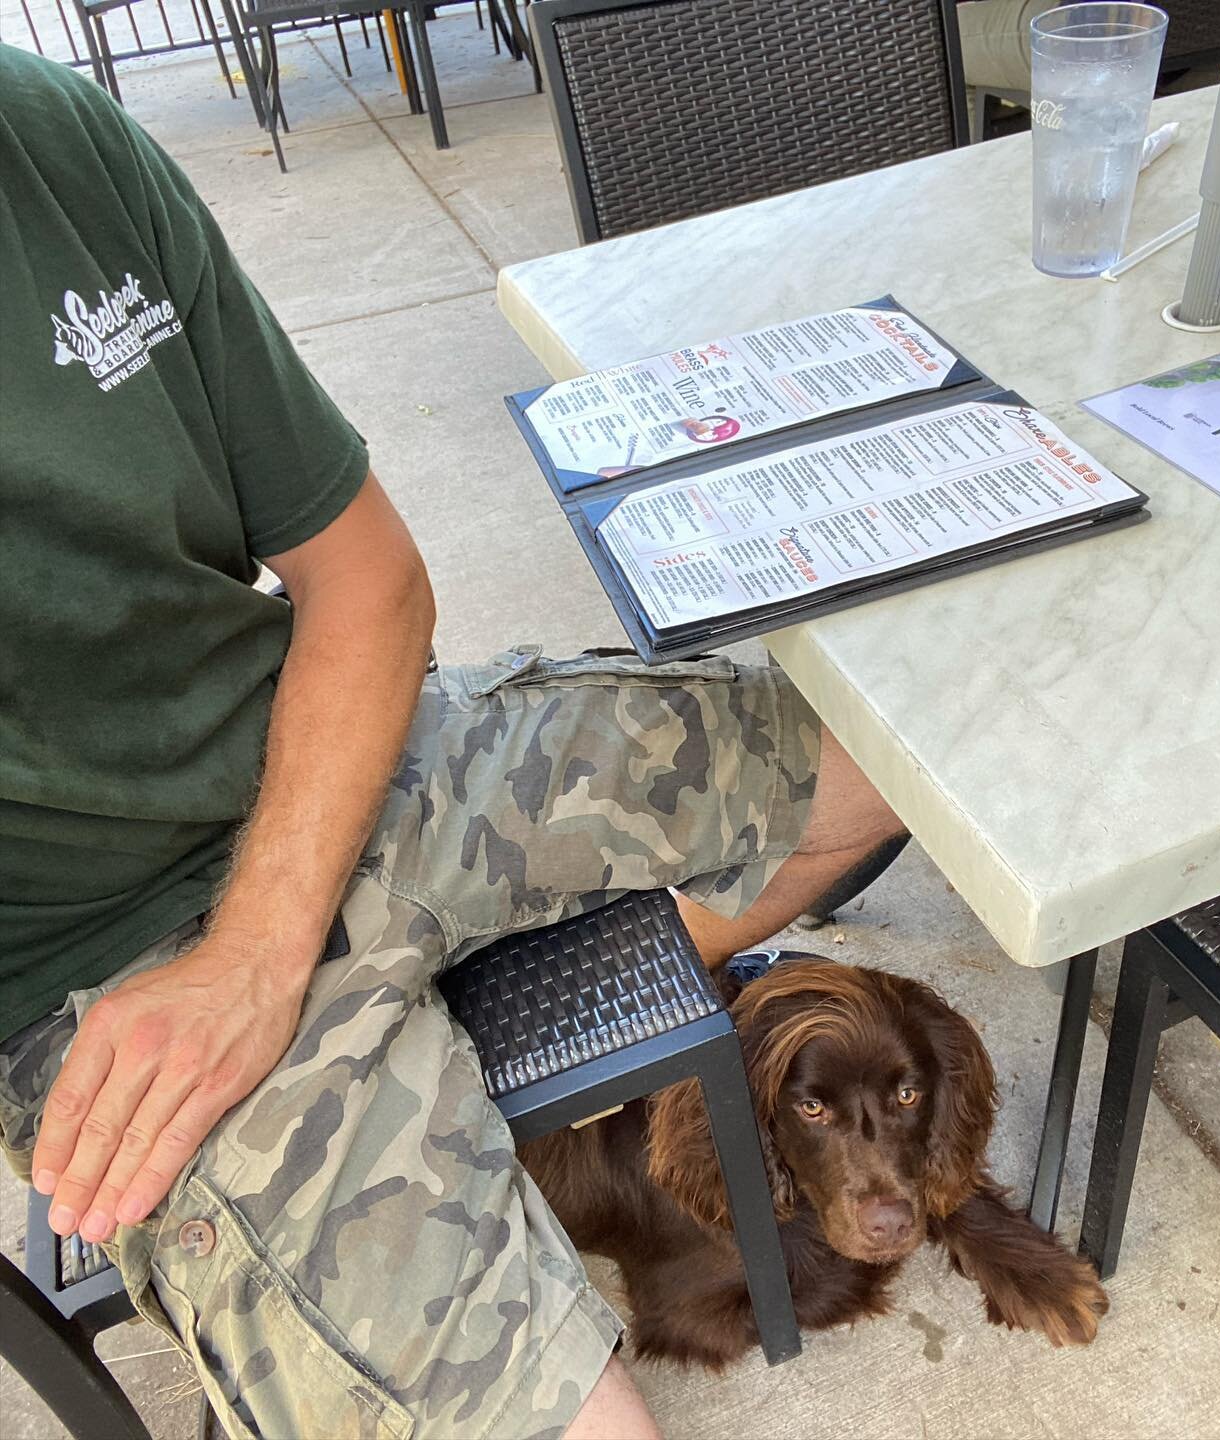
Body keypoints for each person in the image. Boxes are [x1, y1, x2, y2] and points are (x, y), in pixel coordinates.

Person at [0, 43, 907, 1440]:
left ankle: (463, 1086)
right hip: (108, 967)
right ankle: (414, 1120)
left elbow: (365, 580)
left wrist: (274, 953)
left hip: (329, 747)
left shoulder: (46, 132)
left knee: (900, 771)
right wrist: (250, 999)